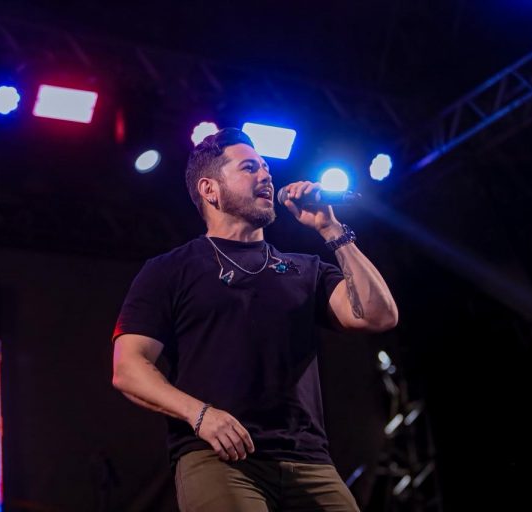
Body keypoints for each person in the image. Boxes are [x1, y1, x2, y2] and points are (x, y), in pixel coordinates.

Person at [112, 128, 398, 511]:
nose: (266, 175)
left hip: (309, 459)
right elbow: (128, 368)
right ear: (210, 189)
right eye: (249, 168)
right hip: (219, 456)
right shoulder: (171, 269)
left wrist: (331, 229)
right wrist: (200, 415)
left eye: (266, 168)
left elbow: (379, 316)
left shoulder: (305, 269)